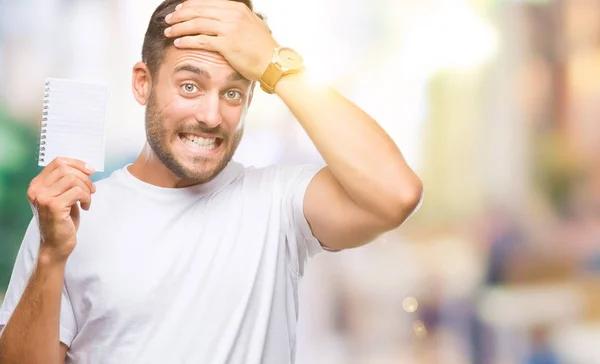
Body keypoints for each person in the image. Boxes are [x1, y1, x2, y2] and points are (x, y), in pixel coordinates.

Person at [0, 0, 422, 362]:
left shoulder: (278, 203)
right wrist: (52, 258)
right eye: (189, 85)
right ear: (142, 83)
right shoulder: (70, 215)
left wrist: (276, 62)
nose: (211, 115)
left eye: (234, 93)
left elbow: (397, 194)